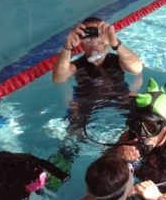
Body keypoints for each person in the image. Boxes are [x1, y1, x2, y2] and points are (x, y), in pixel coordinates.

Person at [48, 17, 143, 189]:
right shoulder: (77, 65)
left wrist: (115, 43)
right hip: (87, 105)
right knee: (72, 137)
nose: (95, 45)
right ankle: (56, 173)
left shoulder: (117, 60)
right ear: (81, 44)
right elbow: (58, 78)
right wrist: (67, 47)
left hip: (120, 101)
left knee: (144, 122)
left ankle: (134, 167)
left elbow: (137, 68)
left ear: (107, 39)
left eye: (99, 38)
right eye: (88, 39)